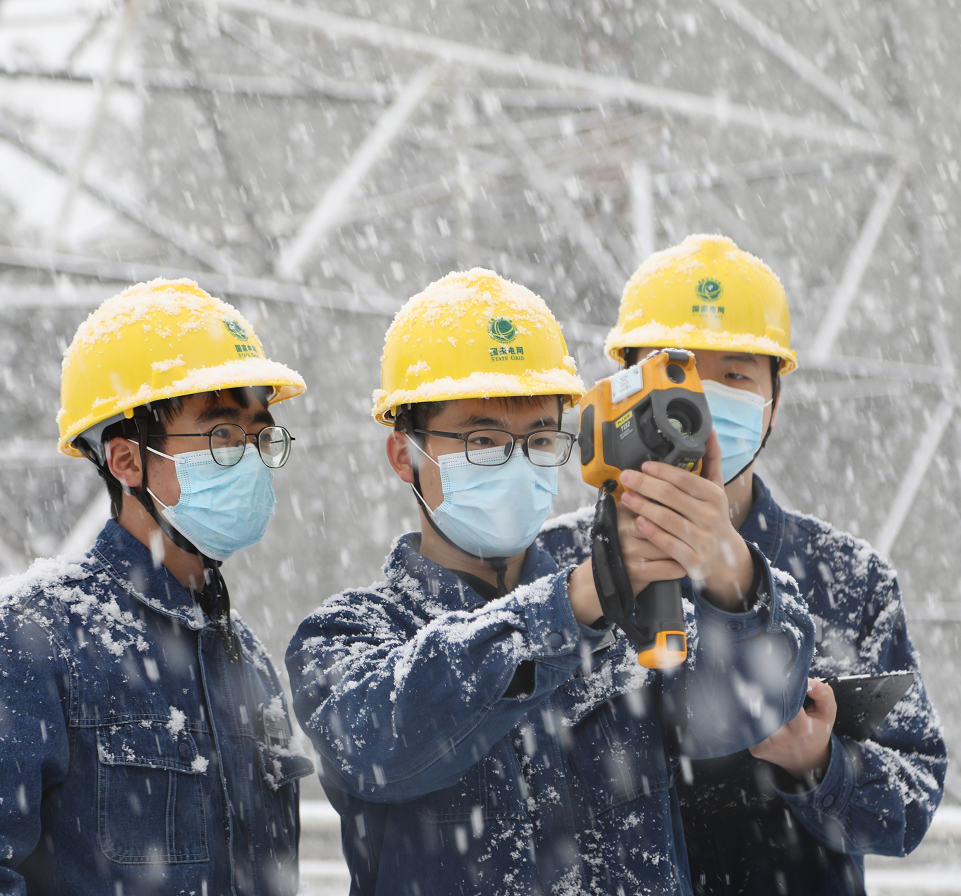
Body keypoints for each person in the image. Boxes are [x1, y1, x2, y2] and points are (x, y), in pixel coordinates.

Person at [286, 268, 815, 896]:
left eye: (540, 438)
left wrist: (730, 569)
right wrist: (569, 606)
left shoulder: (632, 620)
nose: (516, 460)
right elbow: (379, 746)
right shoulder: (347, 637)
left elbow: (747, 713)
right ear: (405, 454)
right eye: (482, 438)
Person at [0, 279, 314, 895]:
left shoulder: (244, 658)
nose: (249, 457)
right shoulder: (20, 641)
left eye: (258, 436)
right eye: (221, 435)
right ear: (126, 460)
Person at [593, 234, 948, 894]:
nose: (700, 399)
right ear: (627, 389)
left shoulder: (849, 579)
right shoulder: (567, 578)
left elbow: (913, 800)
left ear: (773, 406)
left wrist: (820, 764)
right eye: (680, 372)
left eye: (734, 375)